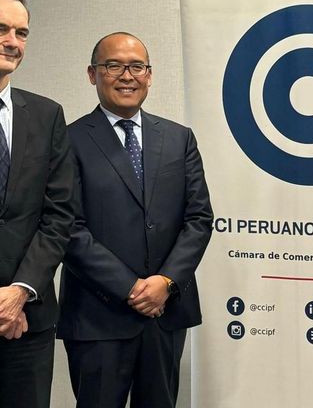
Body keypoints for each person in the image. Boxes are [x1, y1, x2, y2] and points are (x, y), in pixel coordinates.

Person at [57, 32, 213, 408]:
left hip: (165, 312)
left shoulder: (179, 138)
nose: (127, 76)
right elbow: (68, 227)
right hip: (97, 317)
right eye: (113, 66)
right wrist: (131, 288)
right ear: (92, 74)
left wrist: (166, 281)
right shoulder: (66, 140)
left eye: (137, 67)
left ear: (150, 75)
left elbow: (199, 218)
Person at [0, 0, 76, 408]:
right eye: (1, 29)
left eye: (22, 32)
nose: (13, 41)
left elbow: (59, 214)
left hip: (27, 320)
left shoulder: (47, 116)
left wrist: (18, 292)